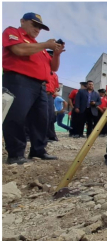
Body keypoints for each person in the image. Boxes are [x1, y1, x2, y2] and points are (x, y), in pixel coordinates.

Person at [2, 12, 64, 164]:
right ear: (22, 21)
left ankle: (38, 150)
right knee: (16, 116)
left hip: (40, 86)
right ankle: (16, 154)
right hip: (19, 81)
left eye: (40, 27)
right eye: (34, 25)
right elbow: (19, 51)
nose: (37, 29)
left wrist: (56, 54)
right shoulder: (14, 32)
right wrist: (45, 44)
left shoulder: (40, 48)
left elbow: (53, 68)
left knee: (41, 119)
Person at [45, 51, 59, 142]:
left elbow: (56, 87)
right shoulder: (41, 69)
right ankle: (27, 134)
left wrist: (54, 94)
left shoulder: (54, 74)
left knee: (50, 116)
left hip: (50, 96)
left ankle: (50, 134)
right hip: (40, 92)